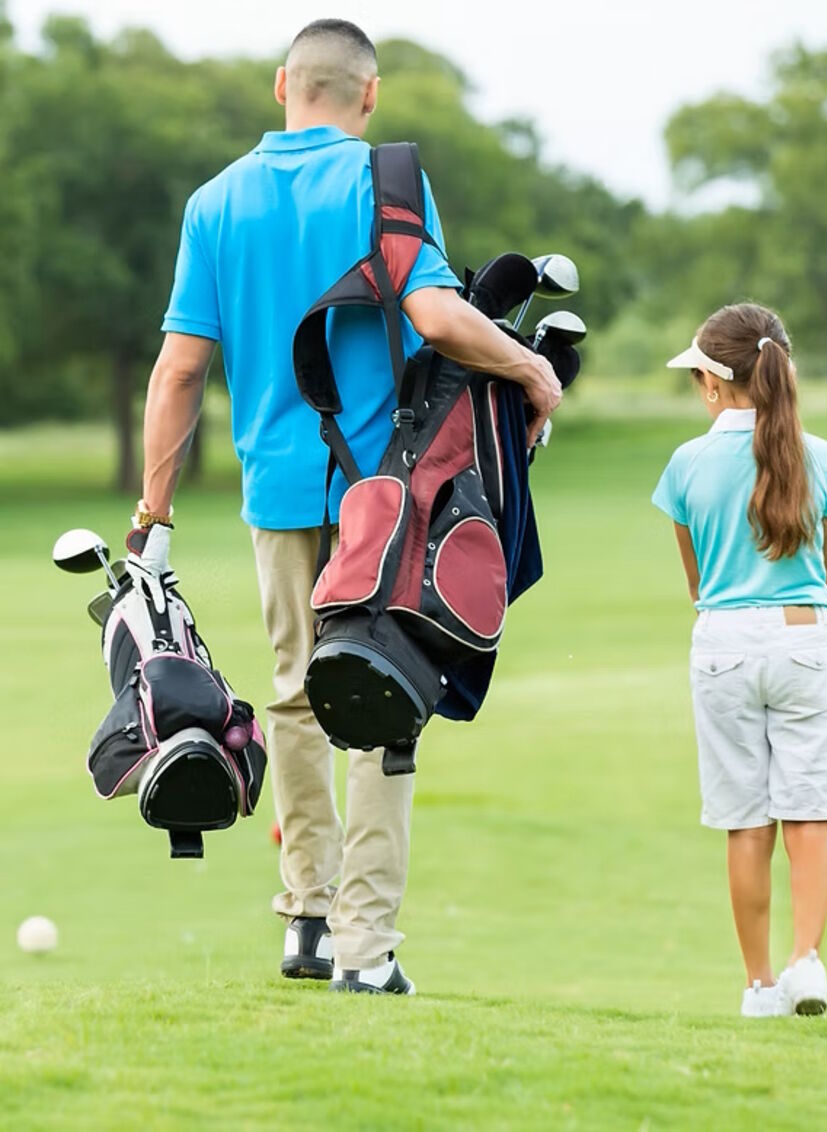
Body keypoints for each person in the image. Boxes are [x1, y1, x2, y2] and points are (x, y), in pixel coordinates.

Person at [127, 18, 562, 995]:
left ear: (282, 85)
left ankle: (307, 919)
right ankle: (366, 950)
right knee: (384, 695)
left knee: (294, 693)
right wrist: (533, 371)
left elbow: (179, 370)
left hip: (276, 495)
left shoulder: (214, 202)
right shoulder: (386, 179)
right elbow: (435, 315)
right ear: (369, 96)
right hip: (387, 496)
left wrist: (154, 511)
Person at [651, 302, 827, 1017]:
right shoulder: (820, 456)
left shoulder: (686, 464)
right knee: (810, 812)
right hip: (804, 638)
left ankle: (759, 986)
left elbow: (697, 584)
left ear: (714, 383)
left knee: (747, 821)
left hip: (723, 646)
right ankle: (807, 962)